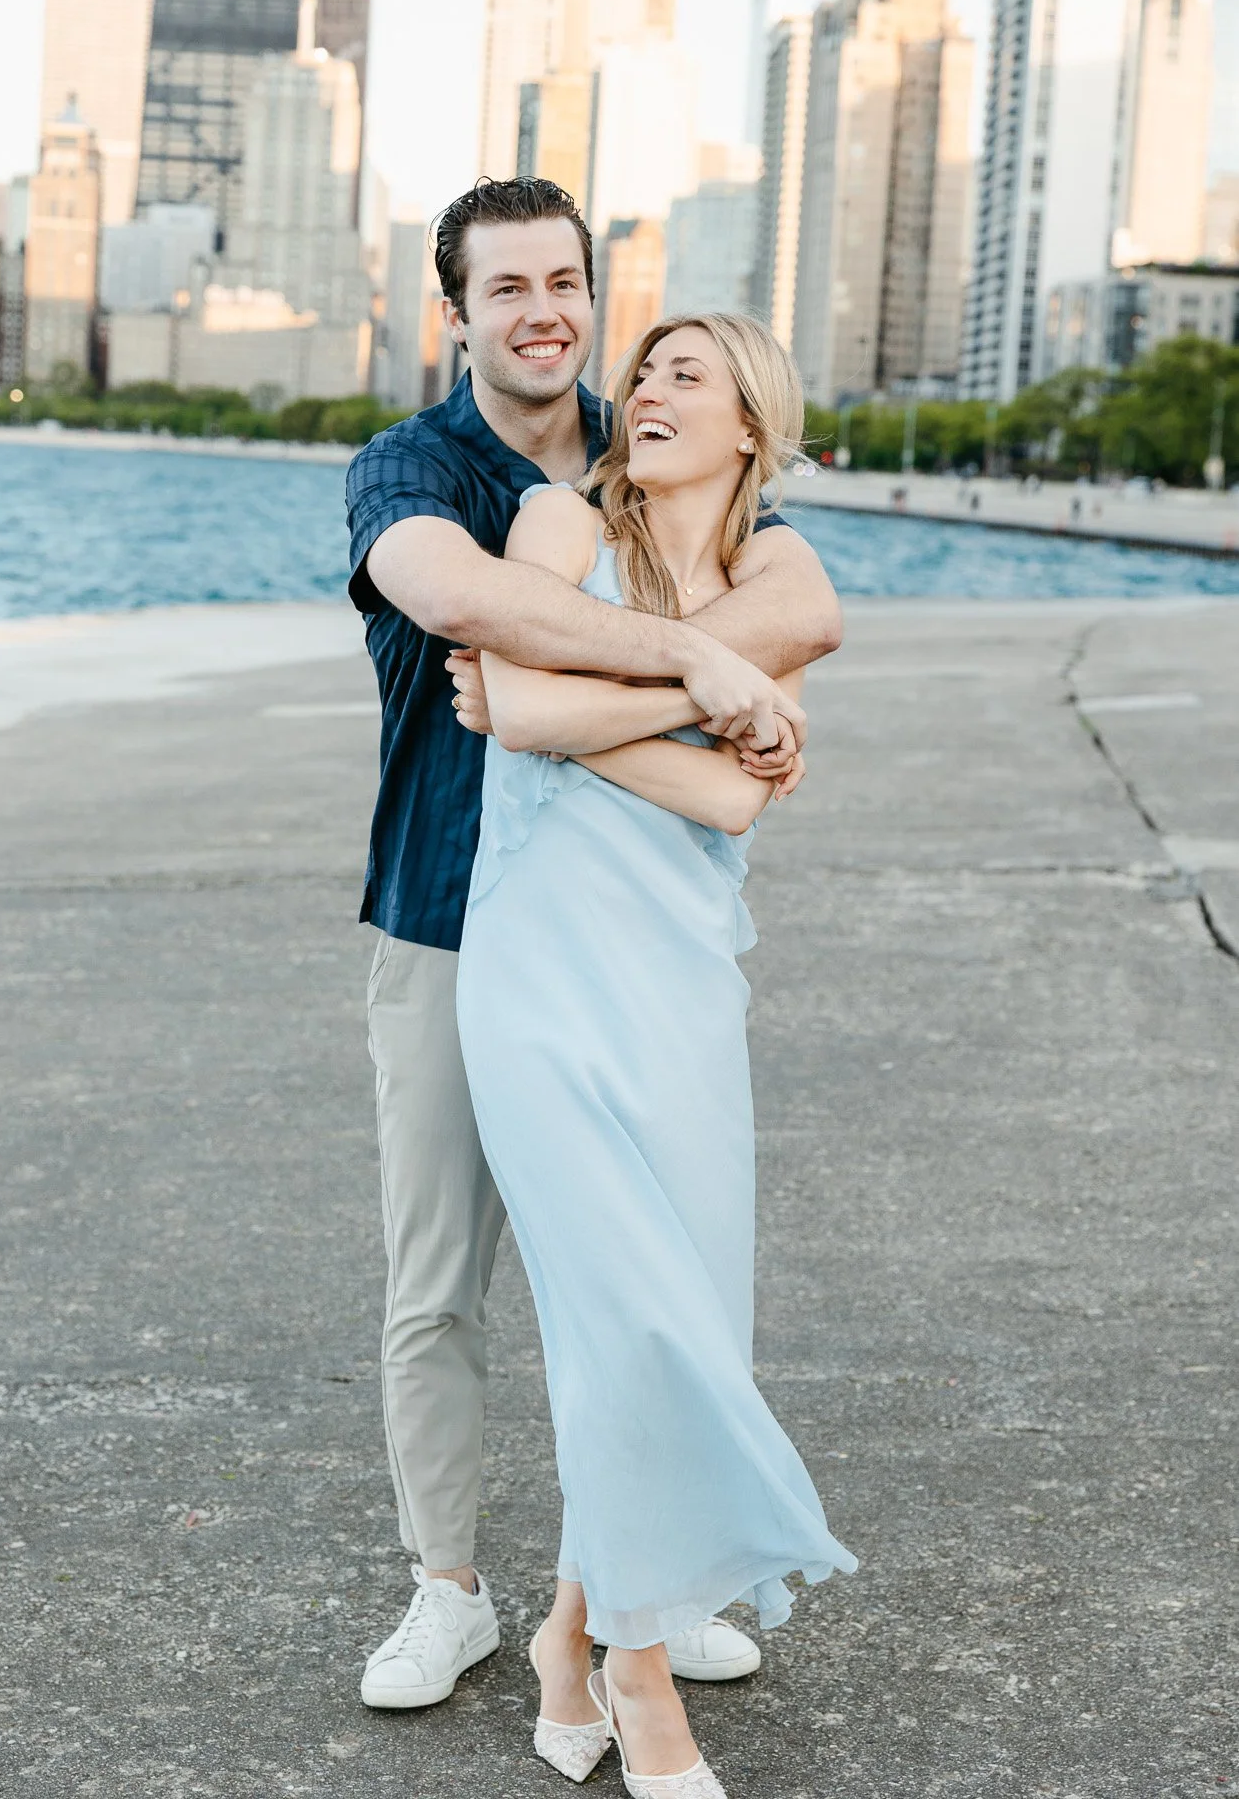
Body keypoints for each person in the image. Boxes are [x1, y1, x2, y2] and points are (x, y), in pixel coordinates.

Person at [344, 178, 842, 1714]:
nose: (546, 311)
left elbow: (798, 611)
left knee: (650, 1278)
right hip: (447, 917)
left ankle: (635, 1583)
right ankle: (449, 1590)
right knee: (445, 1281)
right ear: (461, 314)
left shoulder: (655, 469)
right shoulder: (415, 465)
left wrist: (691, 659)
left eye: (566, 281)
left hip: (628, 934)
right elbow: (463, 606)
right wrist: (696, 658)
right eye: (509, 288)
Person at [454, 313, 856, 1794]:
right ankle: (637, 1674)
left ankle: (569, 1634)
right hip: (538, 983)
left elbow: (731, 805)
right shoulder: (562, 520)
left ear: (752, 419)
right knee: (619, 1317)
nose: (649, 390)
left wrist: (578, 713)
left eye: (688, 374)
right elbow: (511, 702)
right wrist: (715, 698)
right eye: (646, 373)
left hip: (681, 997)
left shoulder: (778, 573)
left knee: (681, 1323)